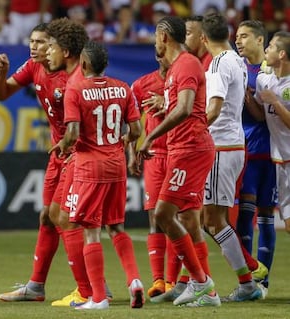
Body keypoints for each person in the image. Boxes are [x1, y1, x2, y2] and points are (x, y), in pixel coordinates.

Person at [0, 20, 103, 307]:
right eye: (32, 41)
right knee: (47, 216)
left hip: (78, 153)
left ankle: (89, 289)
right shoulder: (35, 68)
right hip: (59, 154)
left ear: (60, 48)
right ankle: (36, 285)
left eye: (42, 42)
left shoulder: (77, 76)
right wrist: (3, 73)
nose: (35, 46)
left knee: (63, 217)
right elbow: (1, 94)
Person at [57, 40, 144, 310]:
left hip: (89, 167)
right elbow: (138, 131)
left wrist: (63, 146)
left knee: (91, 232)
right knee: (116, 225)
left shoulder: (76, 89)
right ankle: (134, 281)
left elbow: (71, 134)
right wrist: (118, 143)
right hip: (116, 164)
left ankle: (98, 298)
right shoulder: (122, 88)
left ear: (83, 63)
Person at [138, 15, 219, 307]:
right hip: (182, 149)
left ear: (163, 36)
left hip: (191, 149)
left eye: (155, 37)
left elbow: (184, 109)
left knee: (162, 214)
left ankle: (202, 283)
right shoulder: (174, 69)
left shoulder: (185, 64)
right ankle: (205, 290)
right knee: (188, 219)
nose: (154, 44)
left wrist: (149, 137)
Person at [201, 13, 263, 302]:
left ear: (203, 38)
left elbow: (214, 108)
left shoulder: (216, 64)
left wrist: (191, 130)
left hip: (220, 148)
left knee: (212, 221)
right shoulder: (238, 61)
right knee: (211, 218)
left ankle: (247, 282)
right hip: (234, 146)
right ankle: (246, 275)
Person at [130, 56, 178, 297]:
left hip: (180, 153)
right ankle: (158, 281)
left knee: (174, 217)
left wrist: (168, 101)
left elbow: (193, 109)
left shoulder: (185, 81)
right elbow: (131, 122)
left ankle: (172, 281)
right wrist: (131, 153)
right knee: (155, 217)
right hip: (154, 156)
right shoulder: (141, 85)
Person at [235, 20, 277, 292]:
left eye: (245, 36)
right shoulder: (235, 68)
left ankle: (263, 282)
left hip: (272, 153)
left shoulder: (272, 70)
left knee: (266, 216)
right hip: (247, 151)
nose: (238, 41)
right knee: (244, 217)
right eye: (236, 36)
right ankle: (248, 283)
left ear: (260, 40)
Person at [251, 31, 290, 236]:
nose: (267, 49)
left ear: (282, 54)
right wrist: (247, 99)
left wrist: (275, 101)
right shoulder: (264, 80)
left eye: (272, 47)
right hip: (281, 160)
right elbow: (260, 116)